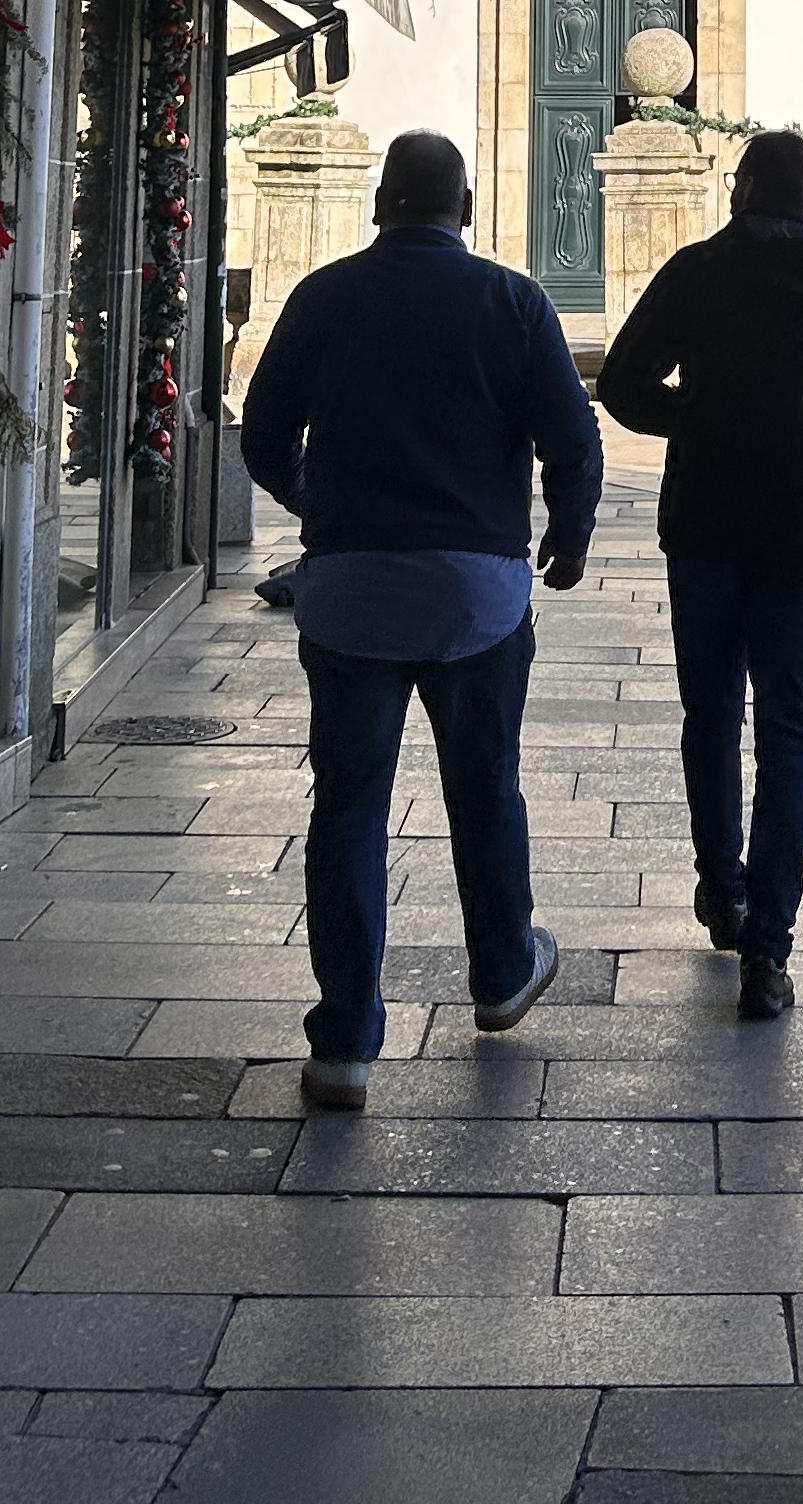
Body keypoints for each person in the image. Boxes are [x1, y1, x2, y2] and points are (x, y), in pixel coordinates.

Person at [237, 130, 600, 1113]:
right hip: (475, 588)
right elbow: (573, 439)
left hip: (350, 585)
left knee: (348, 805)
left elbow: (262, 431)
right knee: (485, 789)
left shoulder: (325, 296)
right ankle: (500, 972)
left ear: (379, 202)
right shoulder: (514, 301)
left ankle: (345, 1043)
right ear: (468, 207)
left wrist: (317, 501)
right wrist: (568, 539)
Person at [597, 129, 803, 1022]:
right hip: (801, 538)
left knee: (711, 714)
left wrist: (703, 418)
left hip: (709, 528)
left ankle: (723, 891)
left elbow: (622, 383)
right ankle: (770, 953)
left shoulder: (699, 271)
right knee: (791, 736)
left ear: (748, 187)